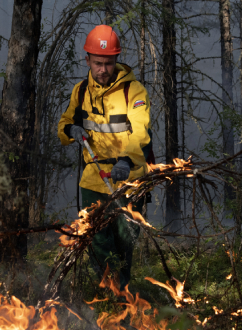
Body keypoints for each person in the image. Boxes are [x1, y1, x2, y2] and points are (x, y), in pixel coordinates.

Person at [57, 24, 153, 290]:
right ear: (87, 59)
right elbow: (64, 125)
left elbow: (140, 131)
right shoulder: (80, 92)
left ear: (116, 61)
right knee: (97, 240)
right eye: (98, 63)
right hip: (92, 181)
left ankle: (122, 294)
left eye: (108, 63)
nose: (103, 70)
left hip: (128, 179)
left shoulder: (133, 92)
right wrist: (71, 129)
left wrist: (125, 160)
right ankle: (114, 294)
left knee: (124, 241)